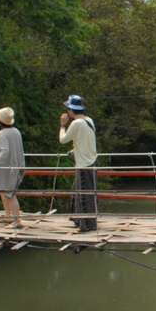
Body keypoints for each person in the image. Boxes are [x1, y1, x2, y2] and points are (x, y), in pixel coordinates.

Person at [59, 94, 98, 232]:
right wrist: (74, 150)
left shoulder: (76, 123)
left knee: (83, 194)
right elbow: (83, 141)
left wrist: (63, 124)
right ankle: (79, 219)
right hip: (91, 161)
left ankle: (86, 225)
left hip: (83, 164)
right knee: (80, 192)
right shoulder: (89, 120)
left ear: (70, 110)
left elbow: (63, 139)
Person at [0, 107, 25, 227]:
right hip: (15, 165)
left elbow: (5, 151)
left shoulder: (2, 134)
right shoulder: (16, 131)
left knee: (10, 193)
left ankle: (17, 220)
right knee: (4, 191)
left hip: (7, 166)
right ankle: (8, 215)